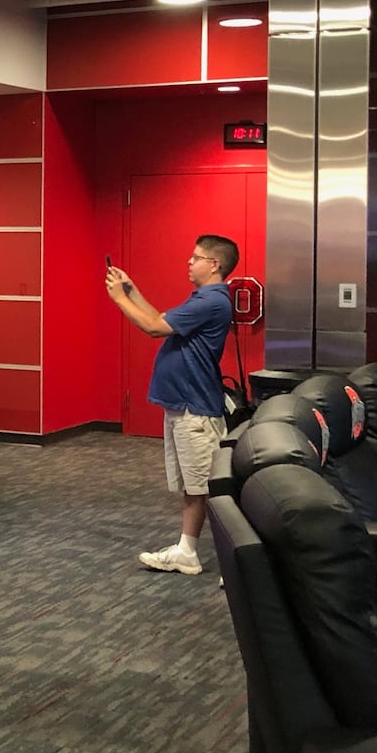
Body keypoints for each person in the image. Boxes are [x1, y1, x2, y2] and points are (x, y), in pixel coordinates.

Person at [105, 235, 237, 576]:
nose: (189, 263)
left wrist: (119, 299)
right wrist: (132, 292)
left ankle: (231, 562)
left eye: (196, 257)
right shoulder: (203, 299)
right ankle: (187, 550)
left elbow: (152, 328)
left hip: (197, 407)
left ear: (214, 265)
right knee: (194, 487)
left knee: (206, 487)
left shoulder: (211, 300)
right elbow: (162, 318)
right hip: (184, 405)